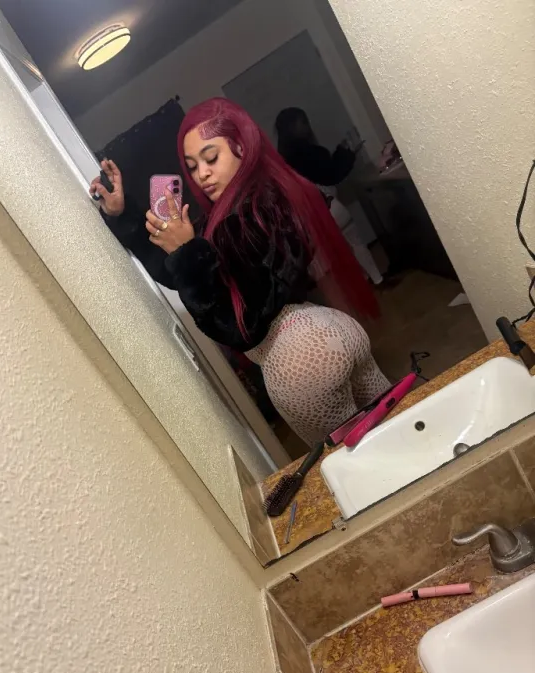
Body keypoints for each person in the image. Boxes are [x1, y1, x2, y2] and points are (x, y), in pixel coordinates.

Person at [91, 98, 390, 445]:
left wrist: (188, 254)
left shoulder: (254, 212)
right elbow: (177, 274)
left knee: (359, 463)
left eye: (211, 158)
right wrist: (125, 216)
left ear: (241, 147)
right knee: (400, 431)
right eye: (192, 166)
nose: (201, 174)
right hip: (328, 331)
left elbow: (242, 326)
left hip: (298, 358)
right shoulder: (249, 204)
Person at [275, 107, 385, 287]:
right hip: (329, 205)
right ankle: (378, 279)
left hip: (310, 215)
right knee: (355, 242)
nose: (308, 126)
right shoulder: (310, 152)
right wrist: (346, 154)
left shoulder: (284, 162)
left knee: (341, 250)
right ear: (294, 127)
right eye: (303, 122)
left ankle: (364, 281)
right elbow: (332, 175)